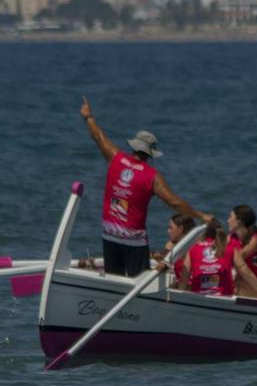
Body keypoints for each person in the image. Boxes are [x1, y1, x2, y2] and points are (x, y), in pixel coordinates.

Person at [80, 96, 213, 277]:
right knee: (140, 282)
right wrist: (201, 215)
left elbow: (98, 136)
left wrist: (88, 117)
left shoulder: (115, 158)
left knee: (114, 280)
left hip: (110, 235)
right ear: (150, 154)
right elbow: (174, 202)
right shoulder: (152, 176)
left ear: (134, 147)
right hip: (134, 241)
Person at [176, 220, 257, 299]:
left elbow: (184, 277)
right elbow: (247, 273)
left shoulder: (193, 249)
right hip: (223, 298)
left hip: (199, 298)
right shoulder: (229, 248)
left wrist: (179, 297)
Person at [227, 205, 257, 296]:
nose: (228, 221)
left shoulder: (255, 239)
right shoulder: (230, 238)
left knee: (234, 284)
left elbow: (241, 256)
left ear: (239, 221)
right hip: (239, 283)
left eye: (230, 217)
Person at [151, 214, 195, 286]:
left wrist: (152, 255)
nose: (168, 231)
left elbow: (166, 256)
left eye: (170, 228)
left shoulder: (193, 245)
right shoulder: (171, 244)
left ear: (181, 228)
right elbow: (163, 256)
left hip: (189, 285)